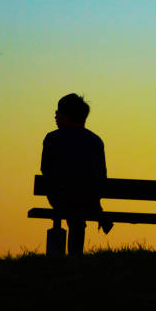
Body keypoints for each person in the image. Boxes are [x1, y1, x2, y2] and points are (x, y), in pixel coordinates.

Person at [40, 93, 113, 255]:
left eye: (59, 111)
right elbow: (102, 175)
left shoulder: (52, 139)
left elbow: (45, 169)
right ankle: (97, 214)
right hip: (87, 199)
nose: (55, 115)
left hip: (60, 197)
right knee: (79, 209)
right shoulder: (95, 140)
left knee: (74, 209)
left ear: (68, 116)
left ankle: (72, 259)